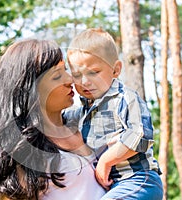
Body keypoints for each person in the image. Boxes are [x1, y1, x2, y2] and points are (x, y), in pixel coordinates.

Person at [0, 38, 105, 200]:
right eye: (57, 76)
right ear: (29, 90)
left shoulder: (87, 124)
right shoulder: (21, 153)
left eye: (65, 70)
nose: (70, 80)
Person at [64, 28, 163, 200]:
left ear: (115, 70)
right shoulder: (81, 112)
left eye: (94, 72)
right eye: (77, 75)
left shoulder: (125, 99)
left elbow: (141, 135)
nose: (85, 81)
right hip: (112, 186)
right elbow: (57, 123)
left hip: (138, 179)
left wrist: (106, 161)